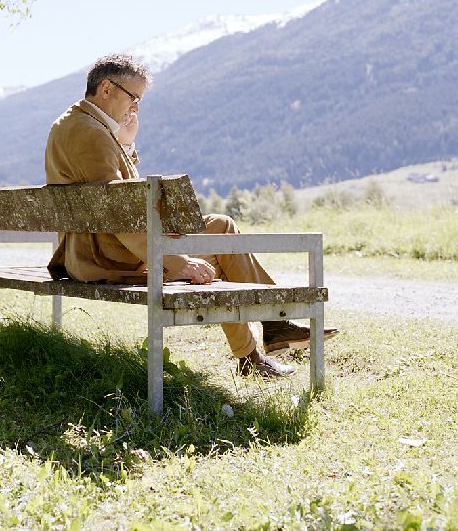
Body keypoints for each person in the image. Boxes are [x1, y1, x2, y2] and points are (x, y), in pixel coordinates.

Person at [44, 53, 338, 377]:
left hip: (98, 247)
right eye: (134, 97)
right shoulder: (90, 133)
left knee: (220, 226)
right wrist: (179, 262)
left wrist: (125, 144)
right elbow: (120, 217)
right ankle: (266, 335)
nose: (136, 107)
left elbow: (111, 200)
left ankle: (267, 334)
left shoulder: (77, 124)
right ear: (106, 89)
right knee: (221, 239)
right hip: (104, 257)